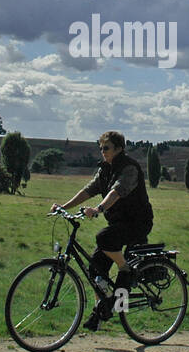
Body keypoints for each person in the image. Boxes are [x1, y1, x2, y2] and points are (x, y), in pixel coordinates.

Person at [51, 130, 154, 331]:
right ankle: (102, 310)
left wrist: (98, 209)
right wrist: (63, 207)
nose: (102, 152)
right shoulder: (105, 169)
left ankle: (127, 271)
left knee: (104, 238)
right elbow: (88, 190)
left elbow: (116, 192)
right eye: (101, 148)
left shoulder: (129, 168)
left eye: (106, 148)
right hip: (119, 223)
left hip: (137, 223)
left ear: (119, 148)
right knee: (95, 268)